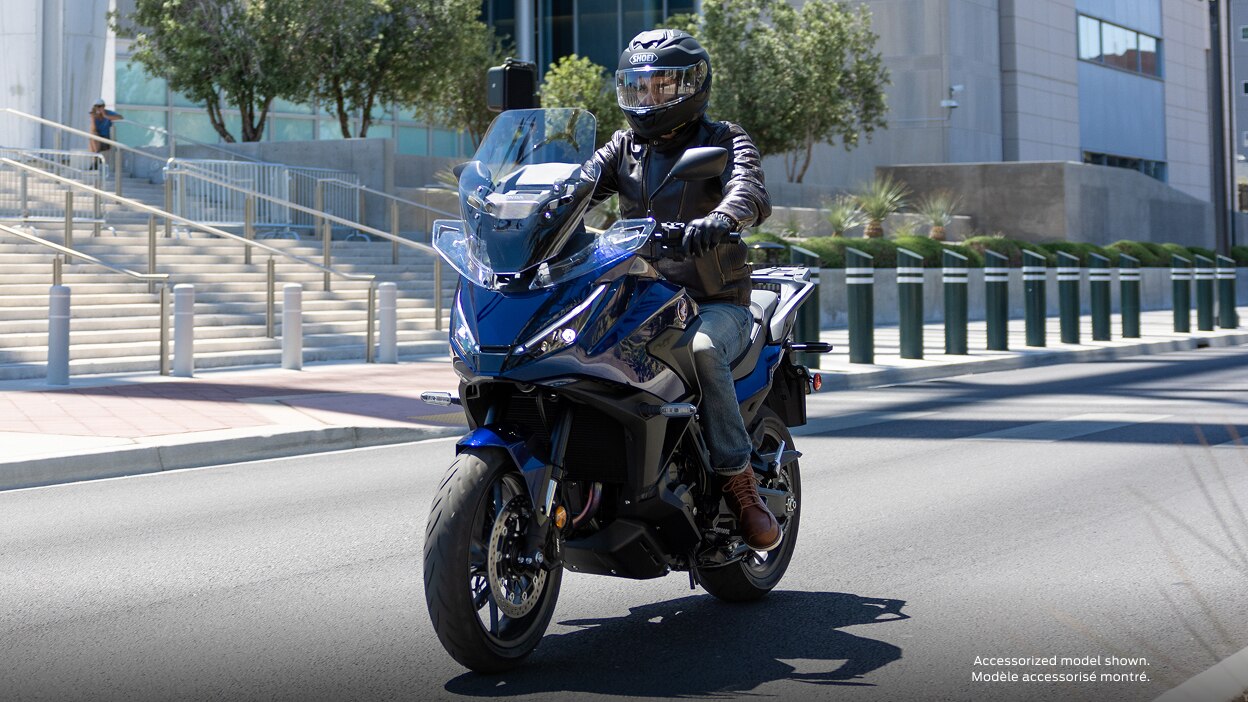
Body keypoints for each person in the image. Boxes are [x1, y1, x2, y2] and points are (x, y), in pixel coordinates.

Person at [582, 29, 779, 551]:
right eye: (639, 86)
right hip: (644, 296)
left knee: (704, 349)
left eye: (662, 86)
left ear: (692, 86)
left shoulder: (723, 138)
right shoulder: (624, 147)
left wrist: (723, 218)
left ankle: (739, 482)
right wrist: (530, 205)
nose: (649, 97)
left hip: (714, 301)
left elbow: (750, 189)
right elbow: (578, 184)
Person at [88, 99, 122, 165]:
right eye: (96, 106)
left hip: (106, 139)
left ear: (103, 107)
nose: (98, 108)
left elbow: (120, 117)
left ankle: (96, 159)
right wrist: (93, 119)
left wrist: (105, 116)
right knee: (93, 135)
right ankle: (97, 158)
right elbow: (93, 130)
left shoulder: (108, 113)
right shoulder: (93, 116)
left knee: (93, 138)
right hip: (96, 141)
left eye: (99, 106)